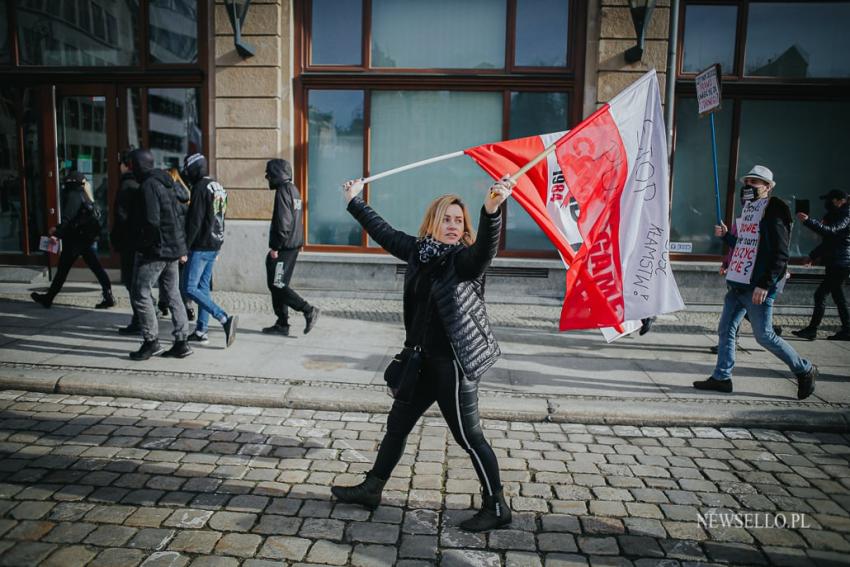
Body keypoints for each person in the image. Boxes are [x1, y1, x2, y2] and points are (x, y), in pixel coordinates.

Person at [331, 176, 514, 532]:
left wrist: (492, 211)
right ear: (433, 222)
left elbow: (485, 252)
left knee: (469, 437)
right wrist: (354, 200)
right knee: (397, 426)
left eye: (458, 221)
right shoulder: (419, 251)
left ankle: (497, 505)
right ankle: (373, 488)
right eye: (446, 219)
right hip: (420, 360)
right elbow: (383, 232)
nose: (452, 225)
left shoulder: (463, 260)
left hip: (453, 364)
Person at [694, 165, 817, 399]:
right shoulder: (750, 210)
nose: (748, 186)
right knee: (726, 329)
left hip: (758, 285)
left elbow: (780, 254)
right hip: (739, 283)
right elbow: (747, 247)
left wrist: (765, 284)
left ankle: (804, 369)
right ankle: (722, 377)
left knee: (764, 335)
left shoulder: (774, 212)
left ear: (768, 187)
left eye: (755, 182)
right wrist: (728, 237)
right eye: (747, 182)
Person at [129, 149, 192, 360]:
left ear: (138, 166)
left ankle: (151, 341)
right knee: (172, 293)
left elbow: (152, 221)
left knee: (140, 292)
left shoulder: (148, 185)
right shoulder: (168, 182)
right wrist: (181, 248)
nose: (130, 169)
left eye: (132, 165)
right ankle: (182, 342)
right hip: (173, 248)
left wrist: (143, 245)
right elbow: (178, 216)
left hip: (157, 249)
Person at [31, 172, 114, 309]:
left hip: (74, 240)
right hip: (85, 239)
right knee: (97, 268)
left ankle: (48, 298)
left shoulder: (73, 195)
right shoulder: (86, 195)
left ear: (70, 183)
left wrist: (56, 233)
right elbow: (77, 219)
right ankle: (108, 295)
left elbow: (68, 219)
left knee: (62, 270)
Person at [181, 153, 237, 347]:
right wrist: (219, 243)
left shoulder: (200, 188)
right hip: (214, 243)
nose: (186, 173)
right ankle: (201, 330)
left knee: (189, 288)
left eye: (187, 169)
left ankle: (223, 318)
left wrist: (184, 248)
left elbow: (194, 221)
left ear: (194, 170)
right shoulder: (218, 186)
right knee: (203, 289)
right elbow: (222, 217)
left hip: (201, 245)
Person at [262, 158, 319, 336]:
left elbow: (284, 223)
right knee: (278, 283)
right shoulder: (293, 189)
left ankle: (307, 310)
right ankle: (282, 323)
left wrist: (275, 247)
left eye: (269, 174)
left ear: (277, 174)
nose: (267, 177)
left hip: (284, 246)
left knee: (277, 284)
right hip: (292, 245)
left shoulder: (282, 191)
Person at [792, 189, 850, 341]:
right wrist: (812, 256)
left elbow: (831, 232)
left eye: (831, 200)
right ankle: (847, 330)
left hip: (841, 263)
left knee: (821, 294)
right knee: (838, 297)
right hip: (836, 261)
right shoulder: (837, 214)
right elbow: (829, 242)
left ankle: (812, 330)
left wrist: (808, 221)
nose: (828, 204)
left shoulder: (846, 214)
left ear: (839, 200)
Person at [112, 148, 145, 334]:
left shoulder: (127, 185)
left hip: (129, 242)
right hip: (138, 240)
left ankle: (140, 319)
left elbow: (121, 217)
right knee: (135, 282)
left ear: (126, 165)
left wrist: (116, 239)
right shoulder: (140, 183)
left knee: (131, 282)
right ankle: (141, 316)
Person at [159, 168, 195, 322]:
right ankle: (188, 306)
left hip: (171, 244)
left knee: (166, 277)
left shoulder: (169, 197)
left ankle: (164, 304)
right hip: (185, 243)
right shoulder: (186, 196)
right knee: (182, 278)